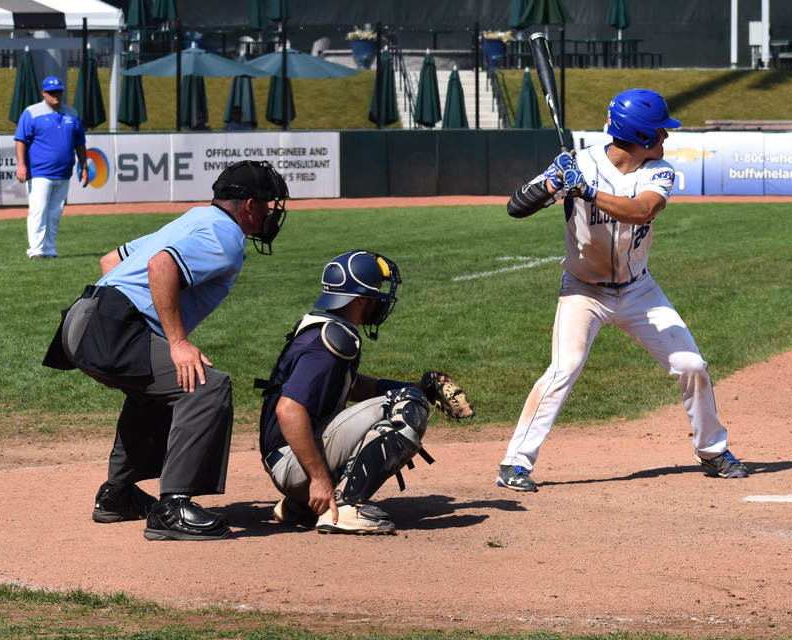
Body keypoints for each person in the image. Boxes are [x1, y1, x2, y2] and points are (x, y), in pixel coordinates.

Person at [496, 88, 749, 493]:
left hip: (638, 291)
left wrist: (589, 192)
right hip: (582, 291)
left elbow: (642, 210)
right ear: (642, 136)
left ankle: (713, 450)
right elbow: (515, 206)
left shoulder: (659, 170)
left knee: (692, 366)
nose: (667, 138)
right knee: (564, 368)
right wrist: (553, 182)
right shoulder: (577, 164)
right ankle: (514, 463)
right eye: (661, 132)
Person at [41, 160, 290, 541]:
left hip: (83, 318)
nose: (272, 212)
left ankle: (117, 494)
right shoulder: (226, 233)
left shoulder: (195, 218)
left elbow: (112, 260)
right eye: (270, 203)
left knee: (156, 392)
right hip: (110, 326)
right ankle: (172, 506)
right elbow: (162, 265)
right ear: (251, 205)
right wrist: (177, 343)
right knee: (206, 385)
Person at [257, 251, 456, 535]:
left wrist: (416, 388)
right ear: (360, 299)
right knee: (406, 407)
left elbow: (354, 385)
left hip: (287, 460)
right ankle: (344, 505)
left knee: (408, 396)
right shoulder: (329, 343)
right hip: (292, 465)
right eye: (377, 293)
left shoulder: (325, 329)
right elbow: (288, 410)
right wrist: (318, 478)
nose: (382, 300)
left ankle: (300, 505)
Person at [15, 76, 88, 259]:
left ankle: (49, 249)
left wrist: (84, 166)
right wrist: (21, 164)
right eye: (52, 92)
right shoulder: (31, 112)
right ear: (44, 93)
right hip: (40, 172)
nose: (56, 95)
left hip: (64, 173)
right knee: (38, 211)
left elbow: (80, 143)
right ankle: (36, 250)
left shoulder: (72, 113)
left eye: (59, 92)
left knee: (54, 213)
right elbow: (21, 140)